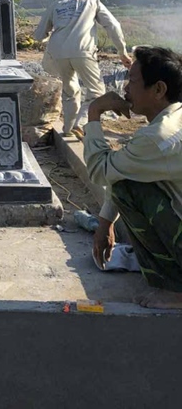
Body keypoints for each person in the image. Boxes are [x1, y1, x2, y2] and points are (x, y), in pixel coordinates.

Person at [84, 46, 182, 309]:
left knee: (127, 189)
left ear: (158, 89)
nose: (125, 88)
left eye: (133, 81)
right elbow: (124, 170)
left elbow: (100, 170)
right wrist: (105, 222)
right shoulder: (175, 118)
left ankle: (175, 290)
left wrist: (94, 112)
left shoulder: (157, 138)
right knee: (127, 179)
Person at [34, 0, 131, 135]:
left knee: (70, 91)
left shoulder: (55, 5)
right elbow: (113, 26)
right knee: (97, 92)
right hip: (83, 51)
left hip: (58, 53)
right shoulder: (91, 1)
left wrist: (50, 35)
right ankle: (81, 123)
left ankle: (68, 129)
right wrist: (122, 52)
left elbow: (39, 35)